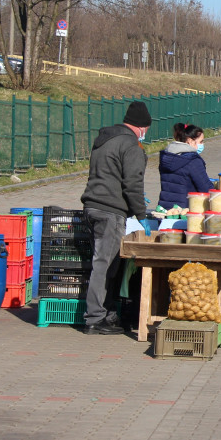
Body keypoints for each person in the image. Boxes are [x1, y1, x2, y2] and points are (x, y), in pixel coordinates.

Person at [79, 101, 151, 335]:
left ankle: (106, 312)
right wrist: (141, 213)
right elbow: (133, 183)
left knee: (106, 265)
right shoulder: (131, 145)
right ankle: (94, 318)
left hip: (92, 207)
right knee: (104, 265)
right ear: (141, 127)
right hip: (110, 211)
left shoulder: (105, 139)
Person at [158, 122, 213, 209]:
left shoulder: (167, 158)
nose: (202, 144)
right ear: (190, 141)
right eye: (201, 141)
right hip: (185, 211)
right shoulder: (193, 161)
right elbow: (205, 188)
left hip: (164, 209)